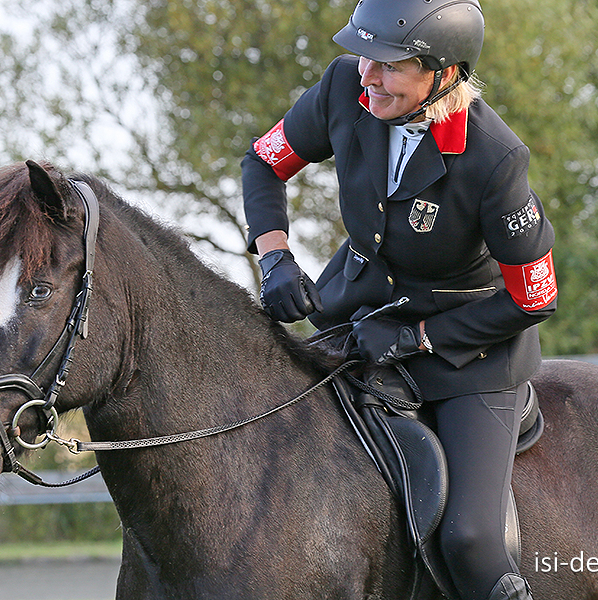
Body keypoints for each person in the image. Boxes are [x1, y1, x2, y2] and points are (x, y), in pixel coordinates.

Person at [242, 0, 556, 598]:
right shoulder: (344, 87)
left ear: (443, 71)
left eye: (388, 65)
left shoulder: (495, 159)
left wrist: (418, 338)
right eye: (365, 56)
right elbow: (263, 163)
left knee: (471, 540)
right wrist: (275, 254)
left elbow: (535, 297)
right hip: (356, 313)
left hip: (469, 352)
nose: (366, 73)